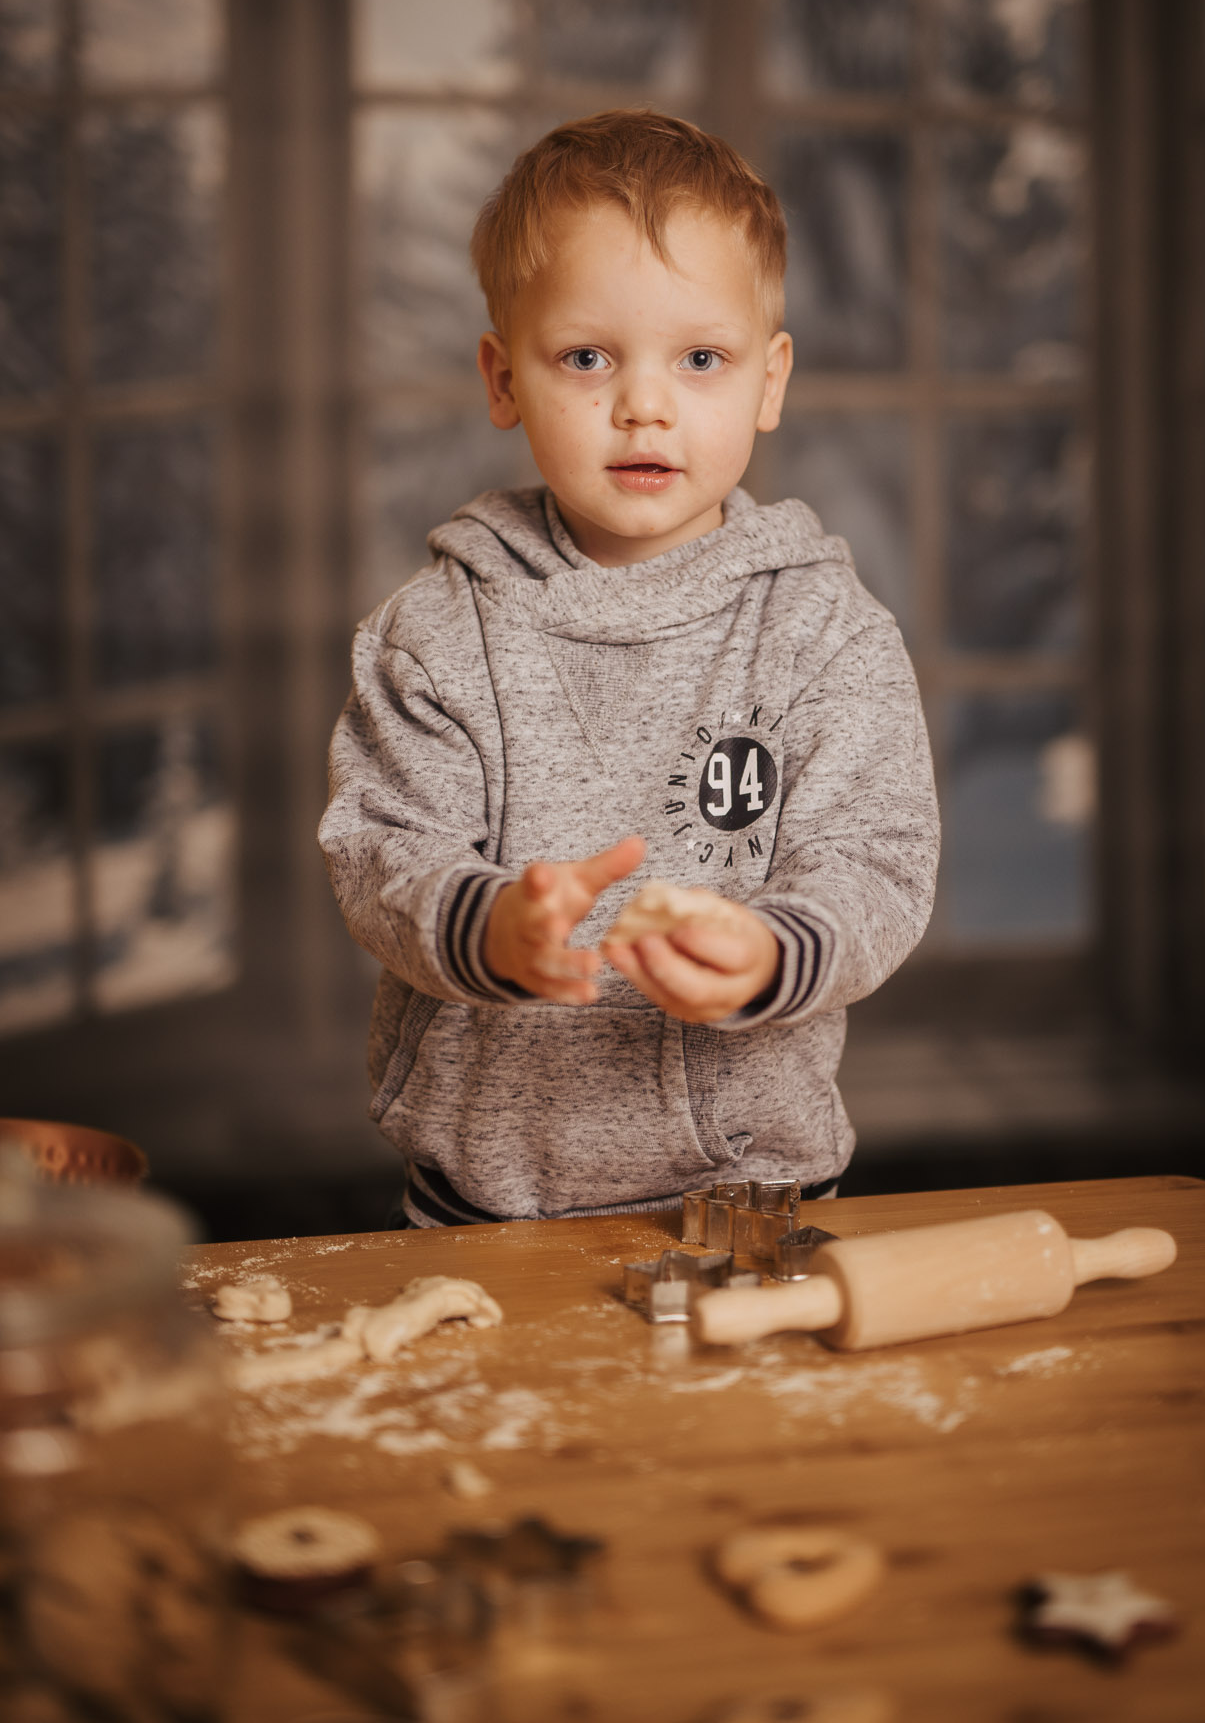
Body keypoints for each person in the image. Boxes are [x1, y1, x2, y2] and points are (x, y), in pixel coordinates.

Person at [319, 109, 939, 1228]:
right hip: (486, 1201)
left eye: (700, 358)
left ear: (768, 380)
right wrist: (488, 923)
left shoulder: (824, 631)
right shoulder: (436, 632)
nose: (642, 403)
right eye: (586, 356)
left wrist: (769, 947)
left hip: (752, 1195)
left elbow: (877, 867)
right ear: (503, 378)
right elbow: (380, 854)